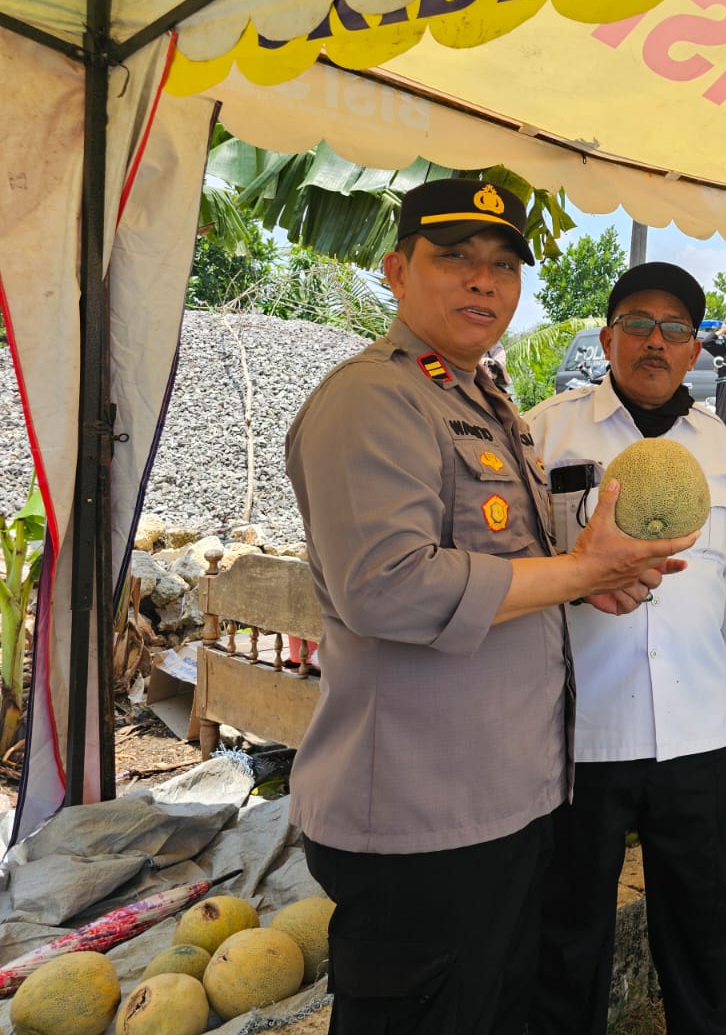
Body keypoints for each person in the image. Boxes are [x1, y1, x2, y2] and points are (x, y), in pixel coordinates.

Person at [284, 179, 694, 1034]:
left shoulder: (485, 401)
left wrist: (590, 578)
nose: (483, 281)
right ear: (396, 271)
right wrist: (579, 575)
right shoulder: (373, 398)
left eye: (502, 265)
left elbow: (523, 570)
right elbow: (387, 586)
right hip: (420, 816)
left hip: (508, 800)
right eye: (455, 258)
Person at [524, 262, 726, 1035]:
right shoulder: (544, 431)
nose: (656, 342)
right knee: (571, 929)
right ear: (608, 337)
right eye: (638, 324)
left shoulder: (718, 445)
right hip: (581, 729)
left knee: (699, 921)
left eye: (675, 329)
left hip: (698, 728)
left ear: (694, 349)